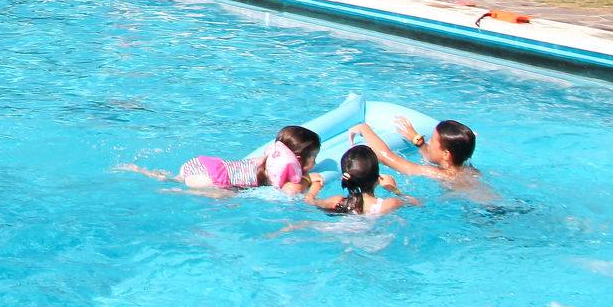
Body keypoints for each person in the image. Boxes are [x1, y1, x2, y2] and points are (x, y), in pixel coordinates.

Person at [125, 125, 321, 195]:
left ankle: (150, 174)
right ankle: (178, 192)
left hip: (199, 164)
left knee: (177, 177)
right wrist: (310, 180)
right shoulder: (282, 177)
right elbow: (292, 191)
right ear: (298, 160)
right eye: (314, 158)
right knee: (228, 196)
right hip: (209, 180)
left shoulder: (266, 158)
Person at [349, 116, 480, 190]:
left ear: (446, 154)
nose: (428, 141)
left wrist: (364, 129)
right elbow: (433, 157)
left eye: (432, 141)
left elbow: (385, 157)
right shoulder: (469, 170)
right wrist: (417, 140)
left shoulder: (440, 174)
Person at [305, 144, 414, 216]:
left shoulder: (337, 202)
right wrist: (397, 191)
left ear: (344, 178)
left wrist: (314, 184)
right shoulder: (388, 204)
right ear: (377, 180)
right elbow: (417, 204)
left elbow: (310, 201)